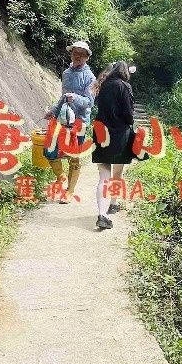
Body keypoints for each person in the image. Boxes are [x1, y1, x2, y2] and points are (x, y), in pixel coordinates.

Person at [45, 40, 96, 203]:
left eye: (82, 54)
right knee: (49, 151)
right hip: (62, 119)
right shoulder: (66, 73)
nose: (78, 56)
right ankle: (61, 176)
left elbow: (90, 102)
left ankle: (70, 191)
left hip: (79, 122)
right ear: (71, 54)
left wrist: (77, 98)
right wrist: (53, 111)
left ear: (87, 57)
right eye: (75, 53)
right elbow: (63, 96)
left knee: (74, 156)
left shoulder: (90, 77)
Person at [91, 60, 136, 230]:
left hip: (101, 133)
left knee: (104, 176)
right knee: (117, 173)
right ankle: (114, 203)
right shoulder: (124, 86)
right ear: (125, 72)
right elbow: (128, 114)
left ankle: (102, 214)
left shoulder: (102, 85)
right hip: (119, 136)